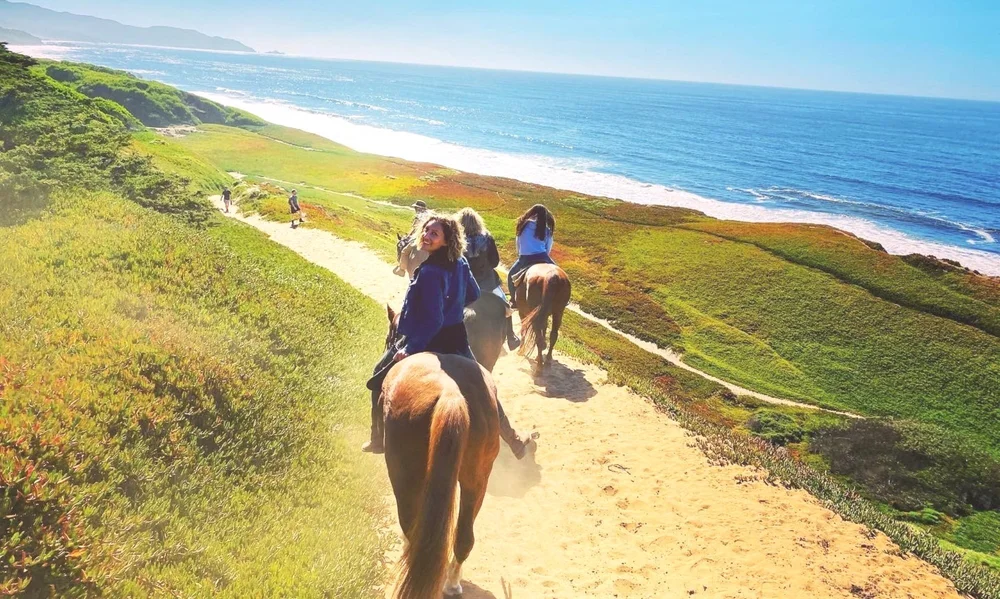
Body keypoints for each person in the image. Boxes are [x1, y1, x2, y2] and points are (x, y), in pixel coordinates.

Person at [363, 214, 532, 458]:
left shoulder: (430, 270)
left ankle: (378, 439)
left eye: (434, 233)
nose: (427, 236)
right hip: (457, 339)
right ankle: (513, 439)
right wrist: (453, 306)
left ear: (446, 240)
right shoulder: (460, 262)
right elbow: (473, 294)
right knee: (484, 387)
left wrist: (411, 348)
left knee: (378, 376)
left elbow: (433, 320)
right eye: (426, 230)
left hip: (428, 338)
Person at [458, 207, 520, 351]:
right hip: (488, 284)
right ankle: (511, 337)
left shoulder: (457, 240)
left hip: (465, 285)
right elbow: (495, 262)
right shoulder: (487, 238)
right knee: (505, 306)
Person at [507, 204, 557, 305]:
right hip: (542, 256)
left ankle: (514, 300)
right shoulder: (546, 229)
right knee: (558, 274)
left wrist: (521, 254)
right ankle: (563, 299)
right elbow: (548, 248)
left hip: (525, 258)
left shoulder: (523, 225)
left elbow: (518, 245)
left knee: (510, 276)